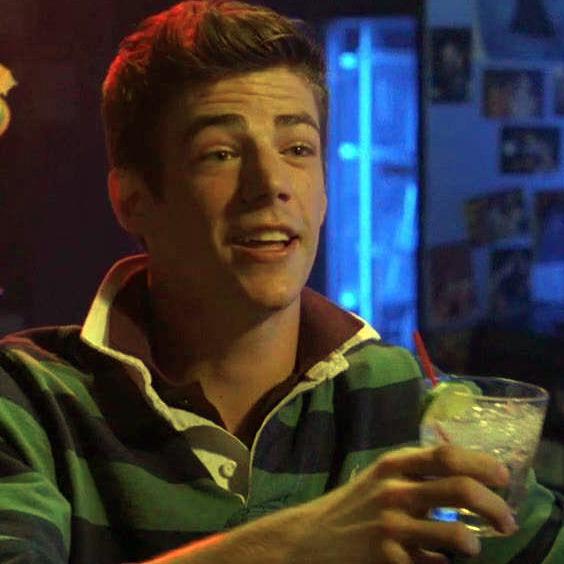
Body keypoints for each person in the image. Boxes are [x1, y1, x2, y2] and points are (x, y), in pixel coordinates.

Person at [0, 1, 562, 562]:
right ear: (133, 199)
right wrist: (299, 543)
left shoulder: (401, 392)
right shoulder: (31, 399)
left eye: (297, 149)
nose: (271, 183)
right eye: (220, 153)